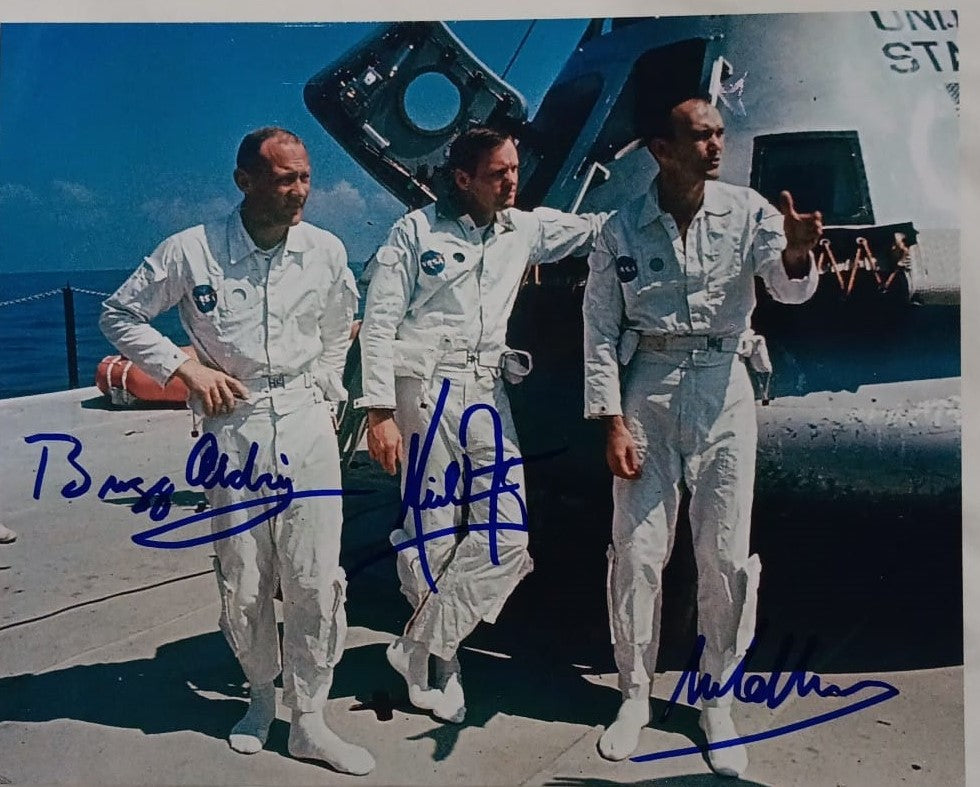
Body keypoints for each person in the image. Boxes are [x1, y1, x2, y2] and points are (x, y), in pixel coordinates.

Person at [100, 127, 374, 775]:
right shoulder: (192, 252)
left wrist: (330, 390)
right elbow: (120, 314)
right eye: (285, 178)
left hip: (306, 423)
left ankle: (309, 719)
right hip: (234, 427)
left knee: (313, 577)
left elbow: (341, 323)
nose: (300, 190)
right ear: (245, 180)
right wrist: (184, 369)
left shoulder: (325, 250)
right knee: (245, 577)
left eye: (305, 176)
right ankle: (259, 698)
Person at [583, 96, 823, 776]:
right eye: (700, 135)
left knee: (724, 554)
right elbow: (599, 330)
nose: (716, 146)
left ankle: (716, 697)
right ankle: (634, 693)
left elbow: (786, 287)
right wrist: (612, 419)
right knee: (637, 551)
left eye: (720, 133)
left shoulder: (751, 212)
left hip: (725, 386)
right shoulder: (620, 228)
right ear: (663, 148)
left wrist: (800, 255)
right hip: (649, 386)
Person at [358, 126, 608, 724]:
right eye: (499, 173)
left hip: (488, 391)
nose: (512, 181)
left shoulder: (524, 228)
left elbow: (599, 228)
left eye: (515, 169)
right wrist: (378, 413)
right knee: (433, 530)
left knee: (508, 536)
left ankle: (421, 641)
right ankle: (438, 667)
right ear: (464, 178)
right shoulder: (414, 232)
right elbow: (378, 323)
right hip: (426, 391)